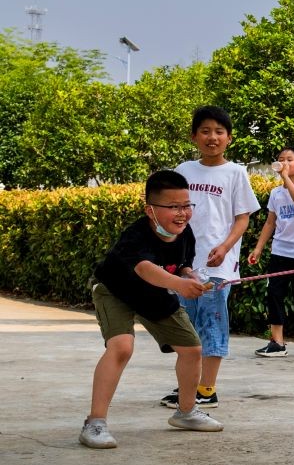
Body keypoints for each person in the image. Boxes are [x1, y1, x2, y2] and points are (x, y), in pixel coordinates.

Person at [82, 169, 224, 445]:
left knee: (192, 349)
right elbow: (145, 269)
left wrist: (189, 276)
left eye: (186, 205)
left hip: (154, 295)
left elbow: (182, 264)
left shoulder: (185, 234)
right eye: (173, 207)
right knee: (121, 347)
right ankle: (95, 423)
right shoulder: (135, 235)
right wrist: (179, 284)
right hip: (116, 292)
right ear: (150, 210)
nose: (182, 213)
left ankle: (186, 412)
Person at [162, 104, 257, 410]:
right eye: (205, 131)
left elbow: (242, 218)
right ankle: (187, 387)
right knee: (184, 326)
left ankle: (207, 389)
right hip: (185, 266)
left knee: (212, 323)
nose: (212, 137)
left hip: (219, 266)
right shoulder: (183, 171)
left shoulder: (236, 173)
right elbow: (170, 211)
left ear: (229, 137)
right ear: (194, 136)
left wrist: (225, 247)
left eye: (219, 131)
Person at [248, 146, 294, 359]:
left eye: (289, 159)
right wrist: (259, 248)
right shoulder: (275, 193)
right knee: (274, 296)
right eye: (281, 159)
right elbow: (271, 222)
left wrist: (285, 178)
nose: (284, 163)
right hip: (280, 252)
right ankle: (277, 343)